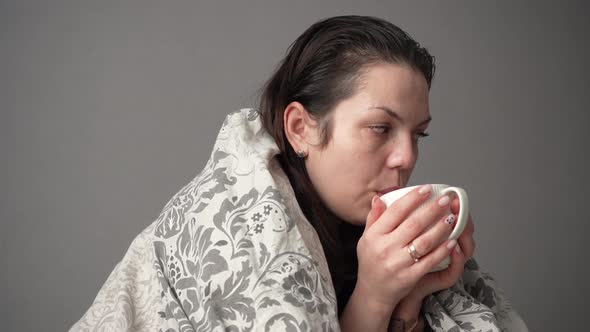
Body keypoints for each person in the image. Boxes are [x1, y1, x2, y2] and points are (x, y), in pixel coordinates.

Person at [71, 15, 528, 332]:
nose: (405, 157)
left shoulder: (363, 232)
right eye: (380, 128)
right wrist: (372, 297)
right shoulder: (237, 228)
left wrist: (408, 299)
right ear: (300, 129)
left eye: (418, 135)